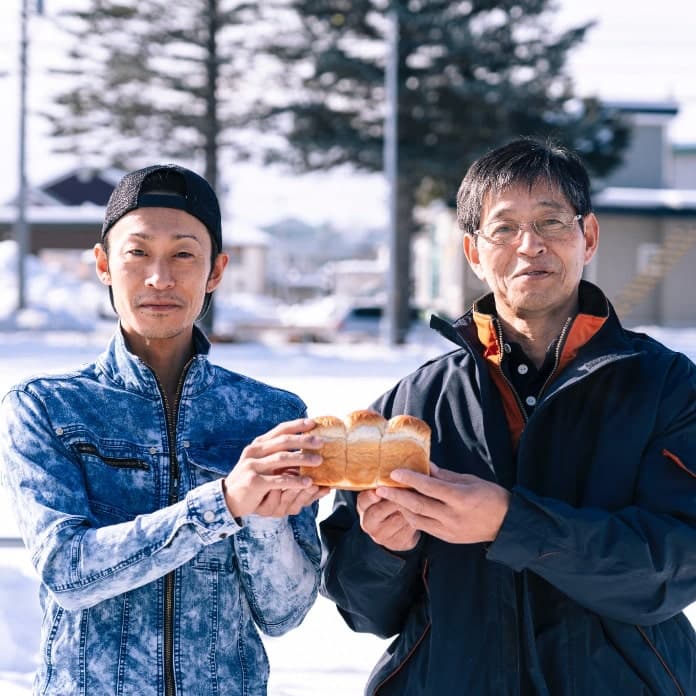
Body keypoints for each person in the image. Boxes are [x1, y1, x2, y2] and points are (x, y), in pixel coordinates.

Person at [320, 137, 696, 695]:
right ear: (473, 251)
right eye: (504, 229)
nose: (530, 246)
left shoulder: (666, 385)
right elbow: (362, 609)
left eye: (551, 222)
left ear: (587, 236)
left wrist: (511, 524)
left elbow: (673, 568)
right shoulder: (412, 404)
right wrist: (383, 551)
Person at [0, 164, 328, 696]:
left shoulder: (269, 416)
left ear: (216, 271)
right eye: (138, 253)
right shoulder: (47, 408)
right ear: (104, 264)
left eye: (183, 254)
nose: (160, 278)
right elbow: (67, 570)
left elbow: (284, 613)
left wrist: (266, 519)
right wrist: (223, 503)